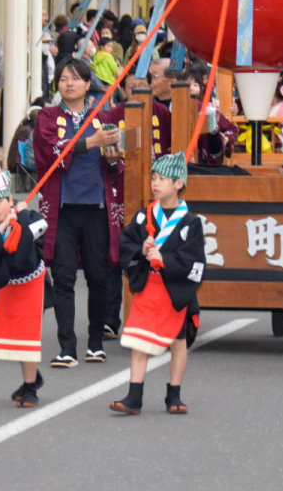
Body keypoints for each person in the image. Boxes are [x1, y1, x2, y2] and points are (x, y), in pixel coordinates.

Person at [33, 59, 125, 368]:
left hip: (96, 208)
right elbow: (48, 152)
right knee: (63, 277)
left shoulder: (102, 118)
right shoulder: (47, 116)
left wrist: (112, 157)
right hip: (62, 210)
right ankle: (67, 347)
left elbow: (115, 169)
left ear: (88, 85)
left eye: (76, 78)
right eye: (63, 79)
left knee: (99, 277)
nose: (69, 83)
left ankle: (96, 342)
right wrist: (90, 143)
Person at [110, 153, 205, 414]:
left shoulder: (190, 222)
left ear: (178, 183)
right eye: (154, 178)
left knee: (177, 342)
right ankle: (134, 396)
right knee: (138, 341)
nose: (156, 183)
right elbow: (125, 242)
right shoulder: (145, 216)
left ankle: (174, 395)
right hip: (149, 287)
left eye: (162, 178)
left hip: (173, 289)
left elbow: (194, 258)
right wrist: (141, 250)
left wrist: (166, 259)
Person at [0, 172, 49, 408]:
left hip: (33, 283)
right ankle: (31, 380)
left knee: (27, 336)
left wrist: (21, 215)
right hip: (8, 286)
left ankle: (31, 387)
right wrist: (5, 223)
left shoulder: (27, 217)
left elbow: (41, 227)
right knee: (14, 337)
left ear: (10, 200)